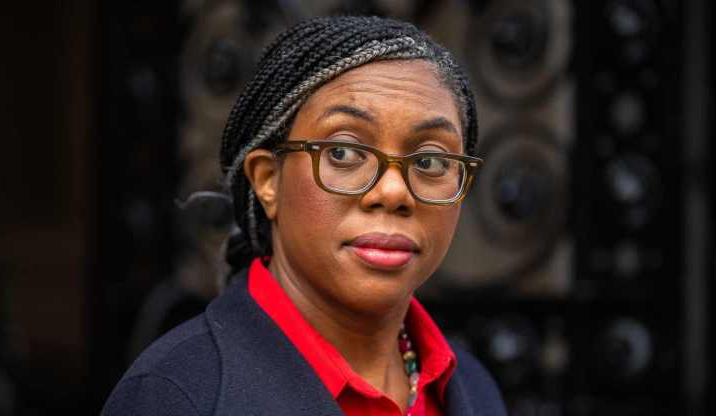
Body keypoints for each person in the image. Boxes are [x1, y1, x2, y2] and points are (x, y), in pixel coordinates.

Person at [102, 15, 507, 416]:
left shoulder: (472, 388)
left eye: (432, 160)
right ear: (267, 181)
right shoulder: (178, 394)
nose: (393, 191)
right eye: (343, 153)